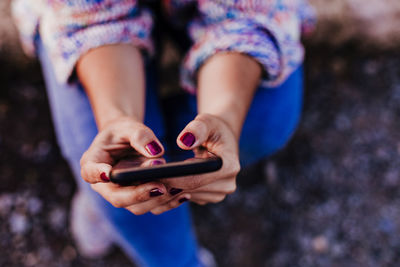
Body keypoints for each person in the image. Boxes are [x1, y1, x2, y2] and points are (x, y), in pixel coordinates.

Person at [12, 0, 315, 266]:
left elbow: (245, 15)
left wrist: (221, 118)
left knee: (263, 120)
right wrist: (118, 116)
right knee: (101, 157)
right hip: (80, 17)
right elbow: (93, 18)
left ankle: (168, 173)